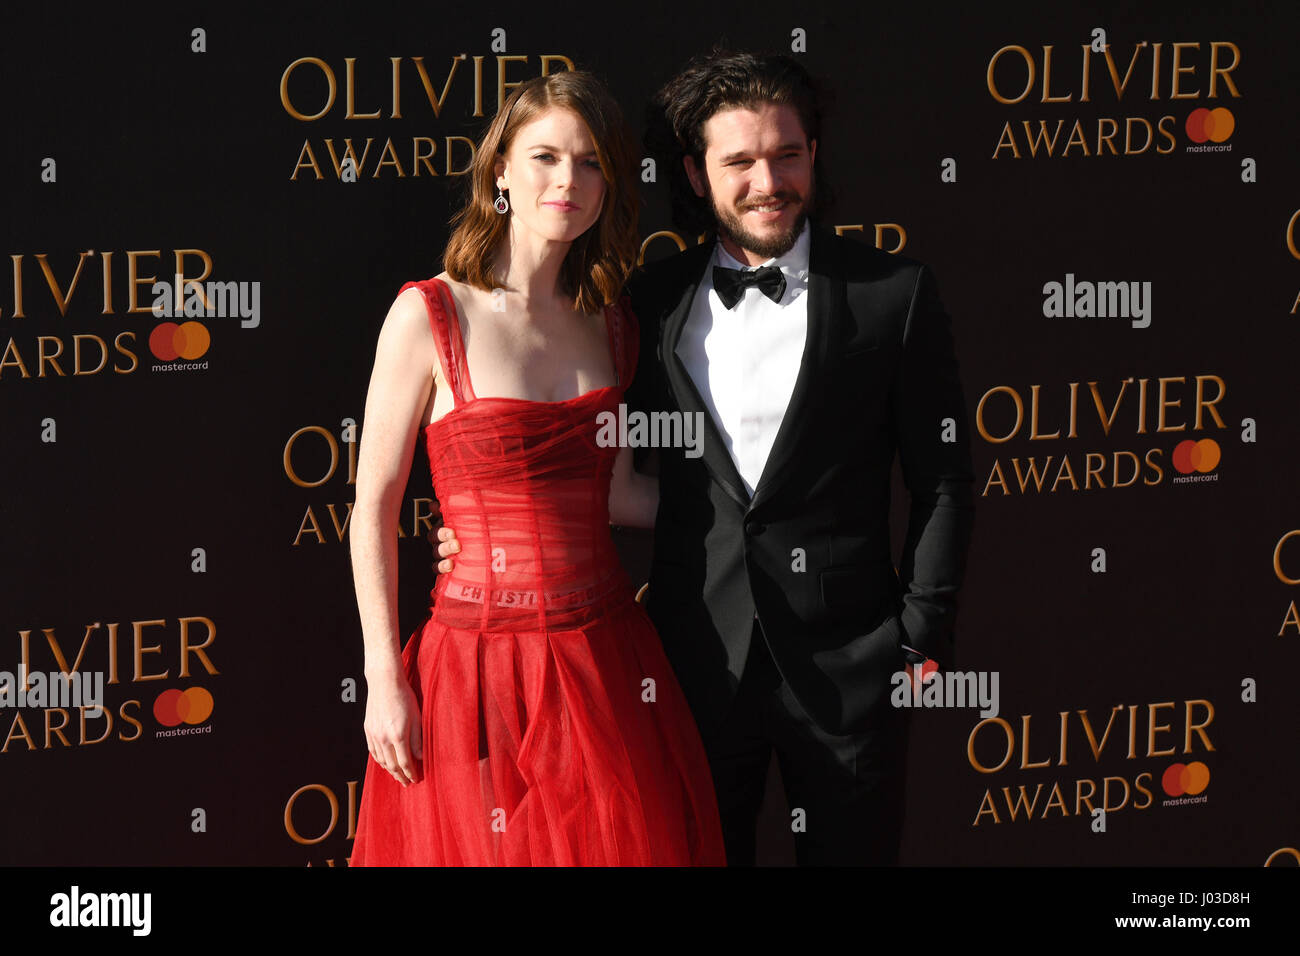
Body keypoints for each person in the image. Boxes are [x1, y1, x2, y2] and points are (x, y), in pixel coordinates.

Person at [439, 49, 975, 866]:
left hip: (852, 672)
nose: (769, 181)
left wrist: (918, 636)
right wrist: (494, 531)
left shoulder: (893, 296)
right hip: (689, 673)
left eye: (786, 155)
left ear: (813, 158)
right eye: (740, 162)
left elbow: (943, 478)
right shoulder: (645, 307)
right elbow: (599, 469)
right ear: (696, 175)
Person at [349, 70, 726, 866]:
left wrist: (751, 502)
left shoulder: (613, 327)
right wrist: (385, 679)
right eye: (546, 156)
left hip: (605, 659)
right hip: (476, 670)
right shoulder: (428, 314)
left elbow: (620, 495)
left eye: (590, 163)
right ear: (500, 175)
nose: (569, 180)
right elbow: (372, 511)